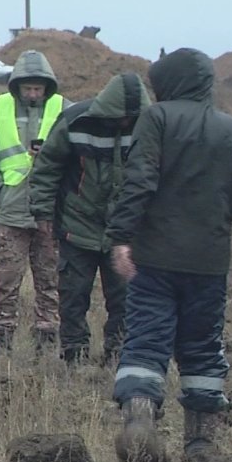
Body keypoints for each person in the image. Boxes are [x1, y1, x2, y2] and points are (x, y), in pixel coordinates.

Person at [106, 48, 232, 462]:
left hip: (154, 259)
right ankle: (200, 446)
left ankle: (140, 419)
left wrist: (121, 237)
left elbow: (139, 180)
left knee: (145, 340)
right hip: (208, 265)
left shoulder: (156, 119)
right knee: (202, 349)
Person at [30, 72, 153, 367]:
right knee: (72, 296)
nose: (125, 122)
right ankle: (74, 354)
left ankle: (118, 353)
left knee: (125, 298)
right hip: (76, 225)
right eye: (120, 117)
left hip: (124, 232)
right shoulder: (75, 120)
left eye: (131, 117)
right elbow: (47, 168)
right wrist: (43, 212)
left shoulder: (150, 127)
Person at [0, 50, 68, 353]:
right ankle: (2, 343)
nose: (34, 93)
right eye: (28, 88)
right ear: (17, 86)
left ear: (47, 86)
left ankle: (47, 340)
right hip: (10, 211)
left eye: (39, 88)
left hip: (50, 212)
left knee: (50, 282)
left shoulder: (64, 108)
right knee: (6, 282)